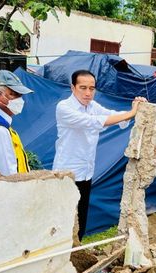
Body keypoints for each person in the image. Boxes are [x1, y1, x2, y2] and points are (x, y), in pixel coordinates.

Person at [53, 69, 147, 240]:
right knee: (63, 220)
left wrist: (135, 106)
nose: (88, 93)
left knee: (80, 218)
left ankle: (75, 253)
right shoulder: (64, 108)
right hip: (67, 173)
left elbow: (112, 115)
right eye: (83, 88)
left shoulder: (92, 106)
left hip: (86, 172)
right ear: (73, 88)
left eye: (92, 88)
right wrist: (132, 113)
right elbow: (95, 122)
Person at [0, 70, 34, 176]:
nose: (19, 100)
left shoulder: (4, 125)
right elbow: (7, 173)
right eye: (14, 94)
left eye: (20, 95)